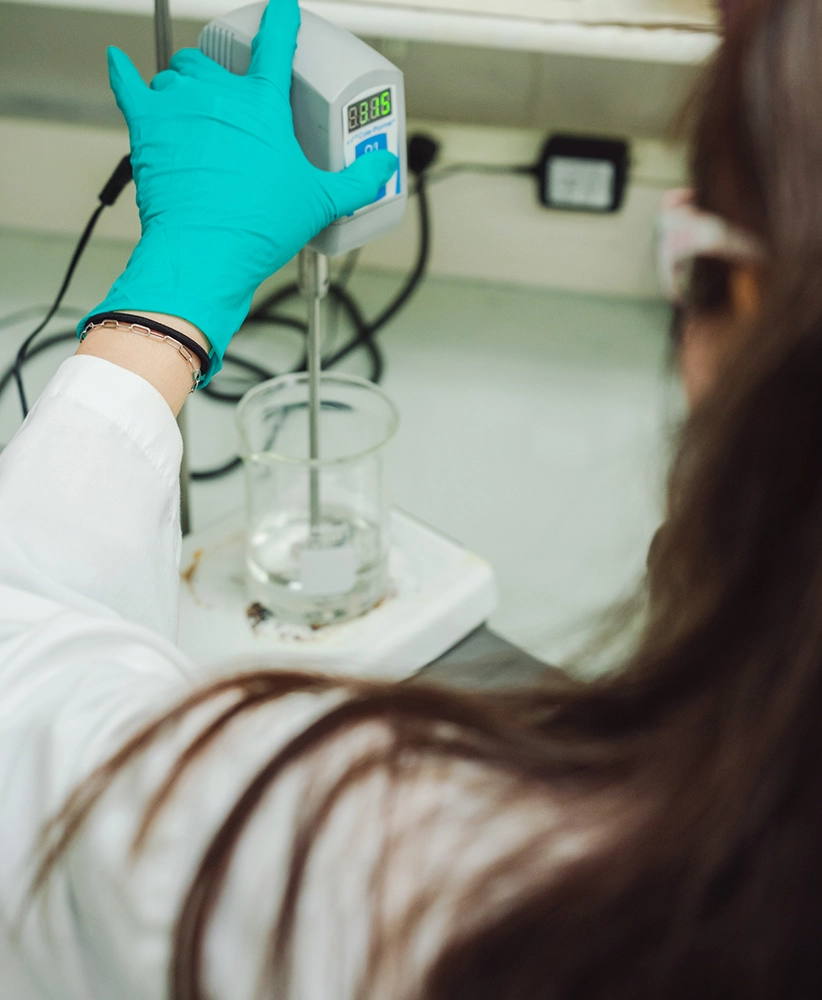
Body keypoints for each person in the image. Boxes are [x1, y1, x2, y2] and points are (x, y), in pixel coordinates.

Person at [1, 0, 821, 995]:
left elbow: (25, 717)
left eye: (702, 262)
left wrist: (165, 305)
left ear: (752, 313)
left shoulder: (400, 870)